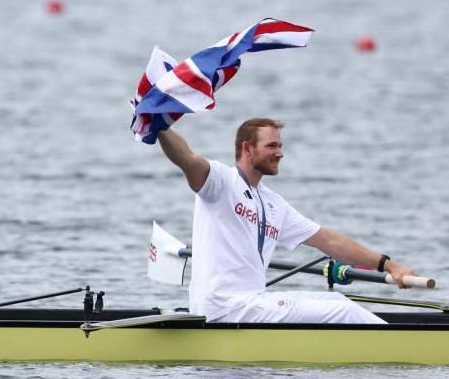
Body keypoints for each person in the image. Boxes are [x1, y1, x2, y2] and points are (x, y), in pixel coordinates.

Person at [157, 117, 415, 324]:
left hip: (250, 303)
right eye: (272, 146)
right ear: (247, 148)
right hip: (223, 306)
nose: (280, 153)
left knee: (340, 303)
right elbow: (187, 159)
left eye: (280, 146)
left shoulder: (273, 204)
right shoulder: (221, 183)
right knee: (343, 313)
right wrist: (160, 127)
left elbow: (330, 241)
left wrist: (389, 265)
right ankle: (409, 351)